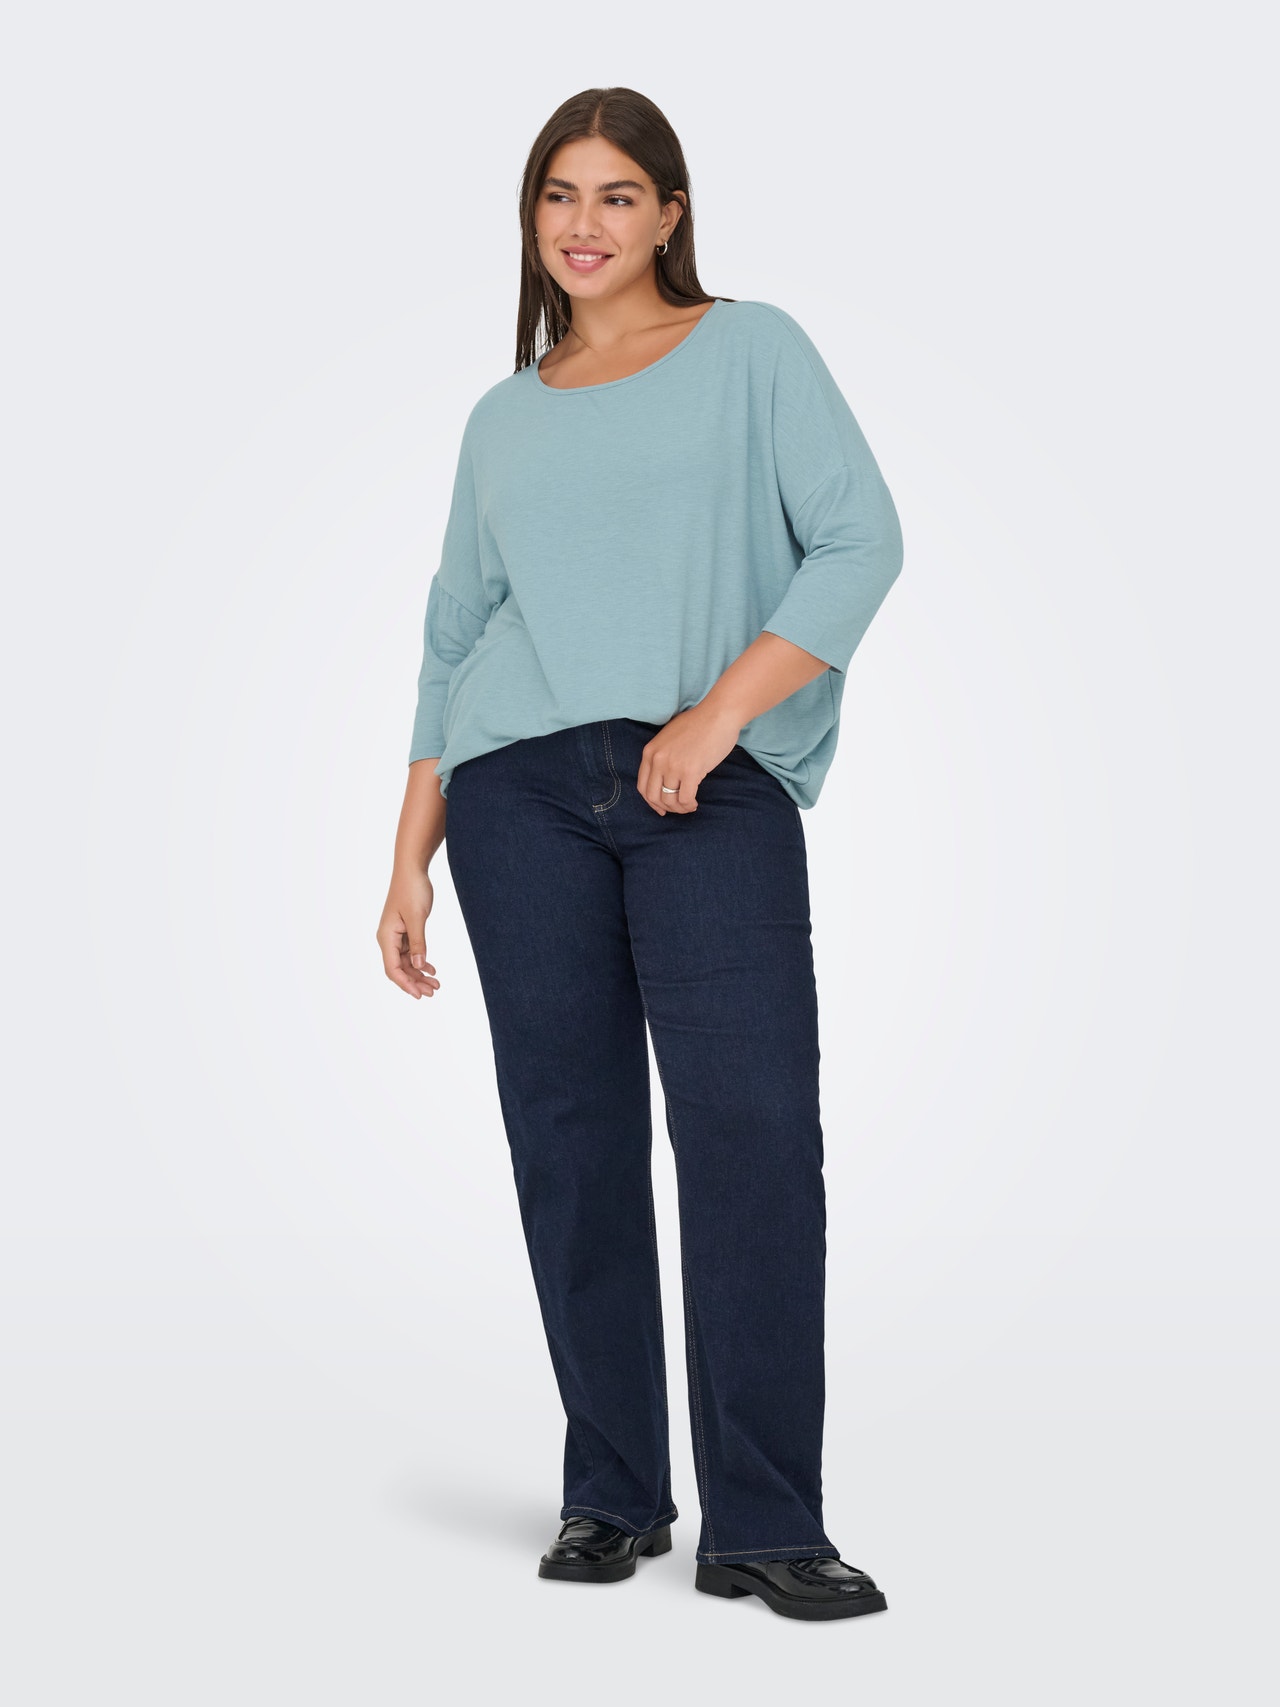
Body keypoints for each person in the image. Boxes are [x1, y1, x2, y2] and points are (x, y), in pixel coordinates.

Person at [377, 87, 904, 1623]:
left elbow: (861, 540)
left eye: (618, 193)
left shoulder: (754, 351)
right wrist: (408, 857)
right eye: (560, 194)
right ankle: (611, 1491)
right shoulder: (503, 416)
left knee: (752, 1132)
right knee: (572, 1142)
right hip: (515, 794)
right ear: (531, 218)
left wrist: (718, 716)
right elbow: (453, 640)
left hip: (707, 788)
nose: (585, 224)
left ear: (672, 211)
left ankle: (767, 1521)